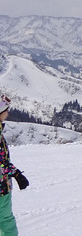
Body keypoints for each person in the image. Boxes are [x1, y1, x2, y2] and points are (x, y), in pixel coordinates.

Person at [0, 95, 28, 236]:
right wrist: (16, 174)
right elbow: (1, 162)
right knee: (5, 220)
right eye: (6, 110)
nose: (8, 113)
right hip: (1, 187)